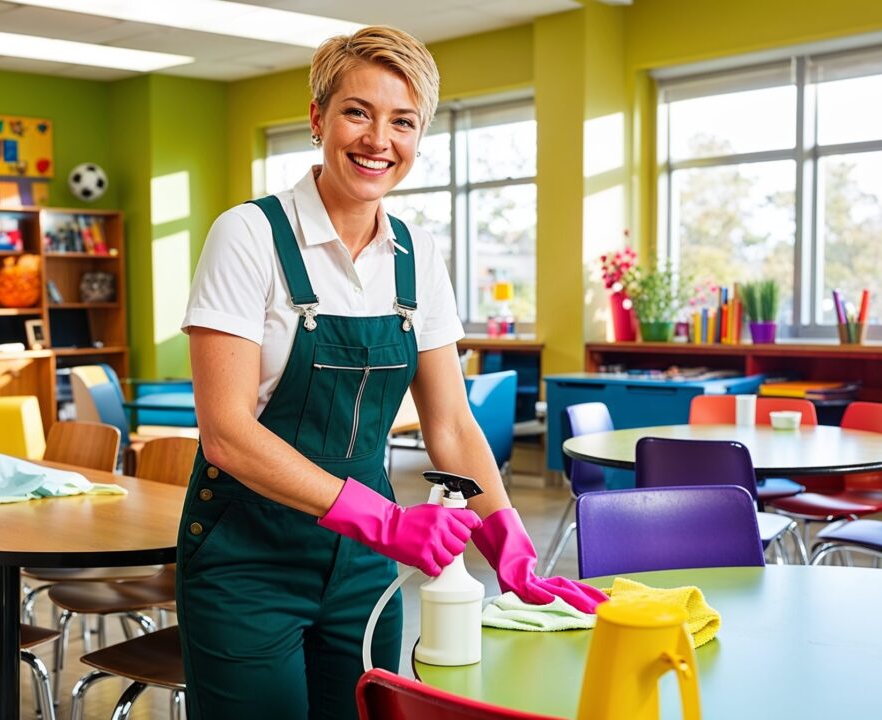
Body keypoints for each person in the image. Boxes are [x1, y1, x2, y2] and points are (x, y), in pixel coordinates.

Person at [177, 25, 606, 720]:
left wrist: (508, 544)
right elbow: (226, 434)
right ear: (317, 119)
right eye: (357, 112)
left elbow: (450, 423)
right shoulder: (248, 235)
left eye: (402, 121)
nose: (379, 139)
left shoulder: (414, 253)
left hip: (359, 570)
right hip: (246, 562)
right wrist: (383, 520)